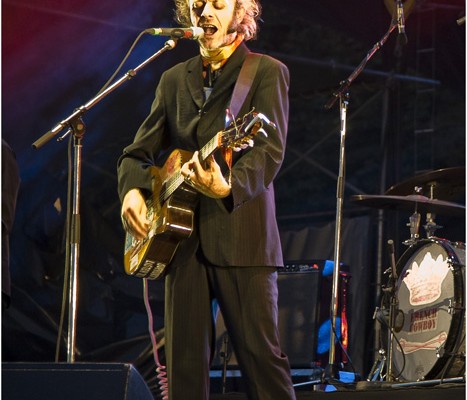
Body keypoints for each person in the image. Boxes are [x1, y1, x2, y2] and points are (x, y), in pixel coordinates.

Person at [118, 0, 295, 398]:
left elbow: (269, 153)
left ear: (241, 12)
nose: (206, 13)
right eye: (198, 5)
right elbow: (136, 154)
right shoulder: (172, 80)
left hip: (244, 237)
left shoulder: (266, 72)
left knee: (263, 364)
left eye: (219, 4)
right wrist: (132, 190)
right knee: (184, 374)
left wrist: (228, 186)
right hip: (179, 243)